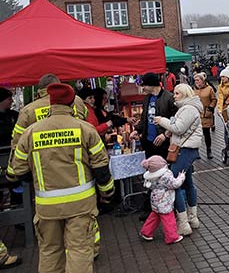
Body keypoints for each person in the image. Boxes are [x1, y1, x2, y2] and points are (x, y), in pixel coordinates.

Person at [9, 83, 114, 272]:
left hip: (46, 206)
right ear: (72, 103)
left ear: (51, 103)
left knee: (50, 252)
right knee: (79, 251)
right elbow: (101, 169)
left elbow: (18, 170)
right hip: (81, 206)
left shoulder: (31, 133)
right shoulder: (85, 130)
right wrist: (108, 195)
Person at [154, 84, 203, 236]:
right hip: (185, 149)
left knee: (174, 184)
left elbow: (179, 127)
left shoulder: (189, 109)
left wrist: (162, 120)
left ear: (184, 94)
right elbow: (178, 126)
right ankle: (192, 219)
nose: (174, 96)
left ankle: (184, 223)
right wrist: (167, 133)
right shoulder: (187, 108)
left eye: (177, 93)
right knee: (187, 183)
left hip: (184, 150)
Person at [10, 73, 88, 160]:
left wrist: (14, 171)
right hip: (77, 156)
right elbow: (86, 122)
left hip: (43, 162)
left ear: (39, 90)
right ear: (59, 85)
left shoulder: (28, 111)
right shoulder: (77, 101)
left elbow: (17, 144)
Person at [139, 155, 185, 244]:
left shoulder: (150, 177)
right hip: (165, 202)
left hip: (155, 201)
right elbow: (175, 184)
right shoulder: (165, 175)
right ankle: (172, 237)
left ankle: (146, 232)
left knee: (154, 217)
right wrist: (181, 177)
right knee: (169, 219)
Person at [131, 72, 177, 160]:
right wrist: (137, 130)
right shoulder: (147, 98)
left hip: (163, 143)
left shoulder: (169, 98)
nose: (143, 88)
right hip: (148, 142)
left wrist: (165, 135)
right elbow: (144, 118)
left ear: (152, 84)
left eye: (144, 85)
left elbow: (176, 121)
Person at [193, 72, 217, 159]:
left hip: (206, 114)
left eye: (198, 80)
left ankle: (209, 150)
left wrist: (210, 108)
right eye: (195, 80)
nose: (196, 82)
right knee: (197, 135)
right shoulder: (193, 90)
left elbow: (214, 99)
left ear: (202, 80)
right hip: (196, 115)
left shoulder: (209, 89)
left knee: (206, 134)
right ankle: (197, 151)